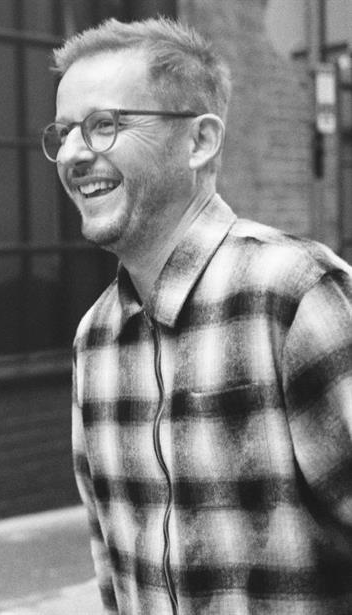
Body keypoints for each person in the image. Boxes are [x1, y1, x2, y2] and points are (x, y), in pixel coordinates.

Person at [42, 17, 352, 614]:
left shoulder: (294, 297)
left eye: (104, 125)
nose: (75, 153)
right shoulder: (95, 339)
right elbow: (113, 574)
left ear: (200, 140)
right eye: (64, 132)